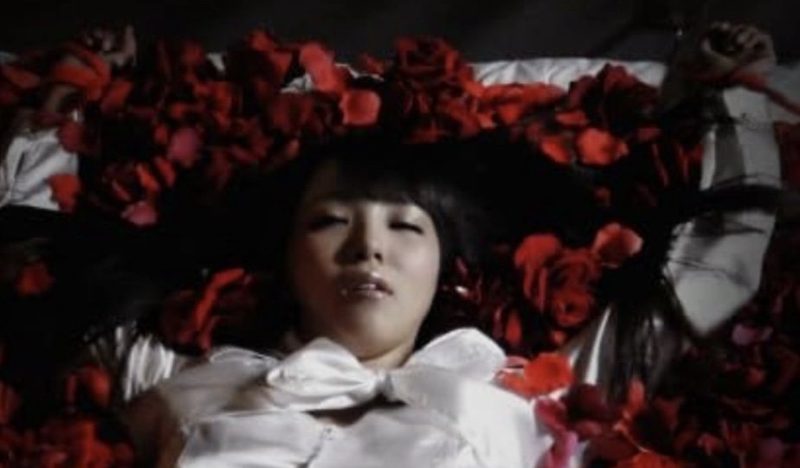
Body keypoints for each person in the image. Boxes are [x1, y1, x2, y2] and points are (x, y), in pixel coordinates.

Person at [0, 22, 782, 467]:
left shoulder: (530, 394)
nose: (367, 248)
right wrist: (70, 92)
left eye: (406, 226)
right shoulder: (180, 378)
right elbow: (35, 263)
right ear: (286, 256)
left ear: (446, 264)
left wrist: (723, 100)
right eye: (329, 222)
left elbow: (714, 271)